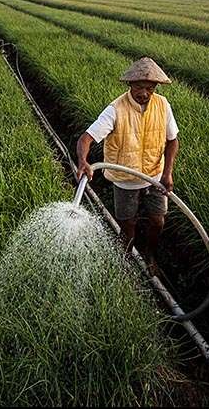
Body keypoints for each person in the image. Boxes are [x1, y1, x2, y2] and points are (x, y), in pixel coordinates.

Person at [76, 57, 179, 275]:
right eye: (140, 87)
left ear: (156, 88)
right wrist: (83, 162)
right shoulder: (115, 109)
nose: (144, 93)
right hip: (124, 178)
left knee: (157, 220)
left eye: (150, 88)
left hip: (154, 175)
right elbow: (86, 139)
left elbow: (172, 140)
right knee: (127, 222)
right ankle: (127, 256)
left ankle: (150, 255)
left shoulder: (162, 105)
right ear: (129, 85)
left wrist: (167, 174)